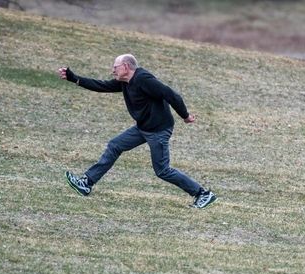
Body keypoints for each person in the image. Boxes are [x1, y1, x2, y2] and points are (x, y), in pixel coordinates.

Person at [59, 54, 217, 209]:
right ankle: (86, 183)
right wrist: (75, 79)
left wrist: (186, 116)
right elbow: (102, 86)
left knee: (162, 170)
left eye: (115, 68)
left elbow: (171, 95)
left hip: (158, 130)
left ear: (126, 67)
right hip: (143, 128)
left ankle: (203, 193)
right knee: (115, 145)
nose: (113, 71)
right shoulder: (125, 82)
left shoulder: (144, 80)